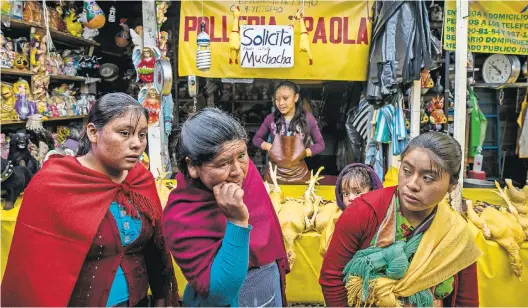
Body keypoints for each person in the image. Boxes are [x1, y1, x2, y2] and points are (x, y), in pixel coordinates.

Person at [1, 93, 178, 307]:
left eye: (141, 135)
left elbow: (155, 251)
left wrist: (161, 298)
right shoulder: (56, 183)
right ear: (93, 132)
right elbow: (33, 268)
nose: (137, 144)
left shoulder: (141, 180)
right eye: (125, 133)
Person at [319, 132, 482, 307]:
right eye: (406, 171)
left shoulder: (456, 233)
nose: (411, 184)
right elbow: (332, 278)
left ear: (451, 185)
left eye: (427, 178)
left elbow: (467, 301)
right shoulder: (362, 212)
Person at [163, 108, 289, 307]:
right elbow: (220, 294)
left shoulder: (245, 176)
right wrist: (237, 222)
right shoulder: (181, 215)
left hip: (266, 289)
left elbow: (267, 234)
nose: (238, 172)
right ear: (192, 166)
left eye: (241, 155)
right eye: (223, 163)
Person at [253, 80, 325, 184]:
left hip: (299, 175)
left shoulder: (308, 118)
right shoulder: (271, 118)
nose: (280, 103)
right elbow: (256, 139)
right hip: (274, 176)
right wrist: (269, 147)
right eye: (277, 99)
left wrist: (304, 153)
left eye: (285, 98)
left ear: (296, 97)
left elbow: (321, 145)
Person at [320, 163, 383, 256]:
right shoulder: (338, 217)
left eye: (357, 192)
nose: (350, 198)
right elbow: (325, 248)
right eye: (345, 193)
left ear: (372, 192)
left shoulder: (381, 217)